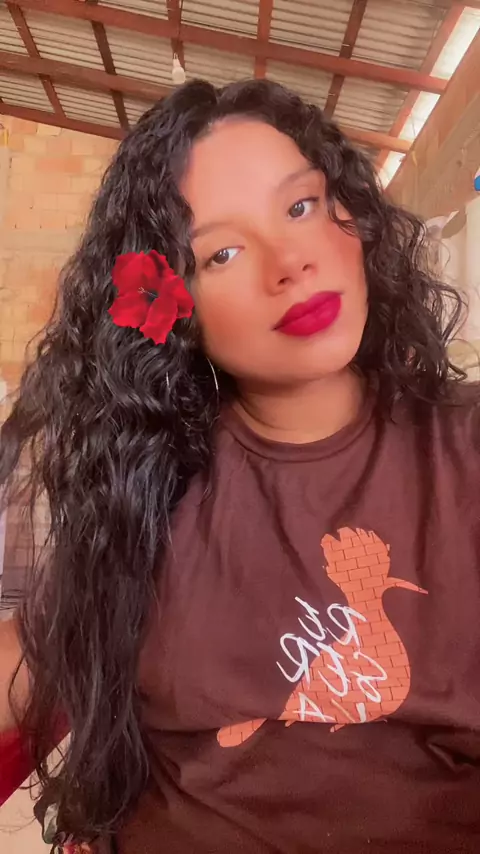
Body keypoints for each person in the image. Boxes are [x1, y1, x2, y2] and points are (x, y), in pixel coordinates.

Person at [0, 77, 479, 854]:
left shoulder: (465, 448)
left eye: (301, 207)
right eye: (221, 252)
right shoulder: (147, 488)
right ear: (174, 311)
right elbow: (36, 652)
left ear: (352, 215)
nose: (288, 263)